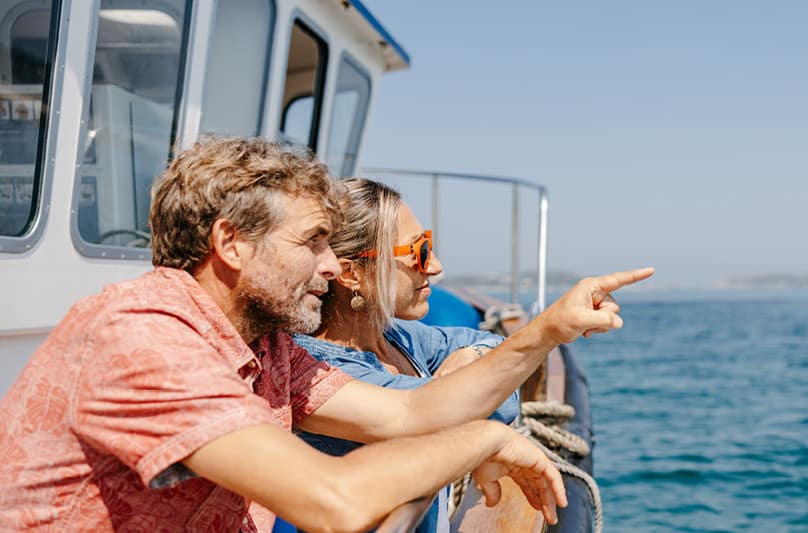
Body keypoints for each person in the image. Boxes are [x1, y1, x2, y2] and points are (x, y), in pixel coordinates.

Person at [0, 136, 653, 532]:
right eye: (311, 242)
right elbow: (332, 500)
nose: (329, 265)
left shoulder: (263, 342)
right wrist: (481, 437)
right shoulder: (143, 342)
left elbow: (410, 410)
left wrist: (549, 327)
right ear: (232, 242)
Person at [284, 178, 521, 533]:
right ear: (352, 274)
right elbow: (433, 421)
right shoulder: (324, 368)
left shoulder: (395, 337)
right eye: (418, 252)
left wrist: (470, 356)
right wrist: (550, 330)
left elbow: (502, 371)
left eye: (429, 245)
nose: (435, 266)